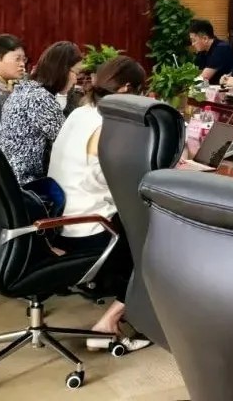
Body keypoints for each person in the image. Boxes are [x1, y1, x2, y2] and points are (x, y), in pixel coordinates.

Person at [47, 56, 151, 353]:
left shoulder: (81, 113)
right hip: (89, 228)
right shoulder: (108, 124)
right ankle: (109, 321)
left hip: (61, 220)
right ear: (127, 89)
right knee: (158, 245)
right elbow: (112, 182)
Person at [0, 41, 82, 211]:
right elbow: (69, 143)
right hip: (25, 190)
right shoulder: (40, 98)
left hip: (6, 182)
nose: (76, 79)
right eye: (75, 73)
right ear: (62, 70)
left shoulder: (25, 90)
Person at [189, 18, 233, 83]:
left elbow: (203, 78)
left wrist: (187, 84)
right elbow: (196, 72)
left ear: (205, 39)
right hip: (210, 87)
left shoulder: (221, 48)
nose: (192, 44)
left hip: (225, 87)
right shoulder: (202, 51)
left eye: (194, 40)